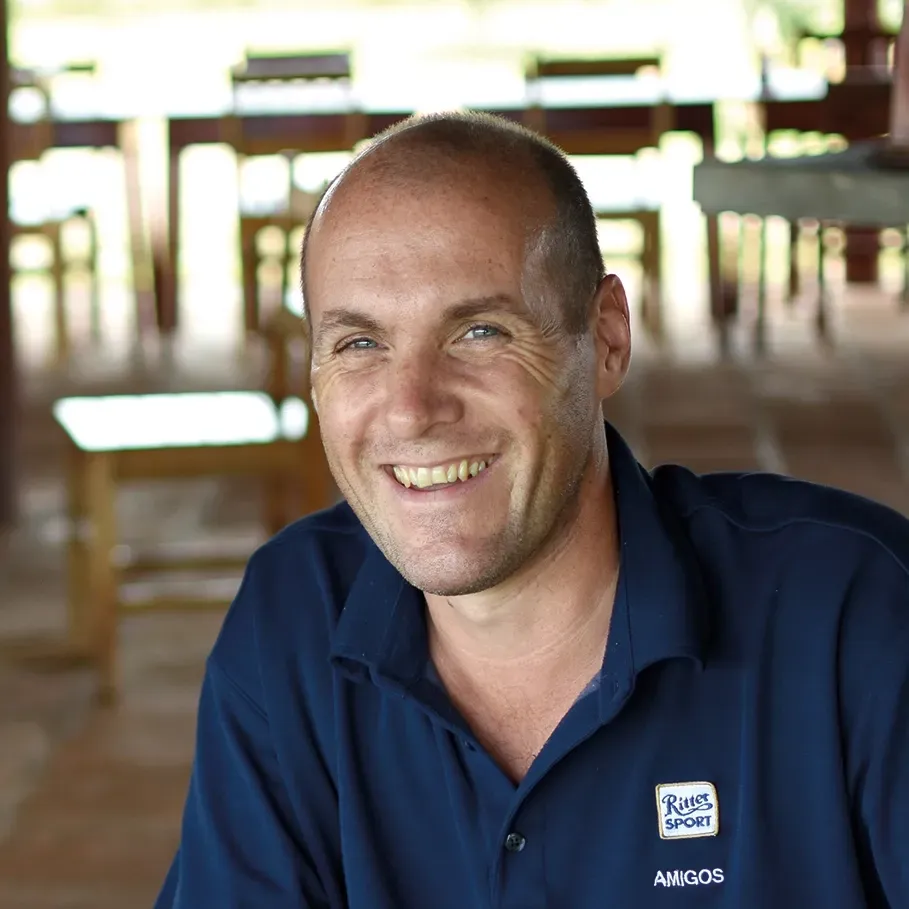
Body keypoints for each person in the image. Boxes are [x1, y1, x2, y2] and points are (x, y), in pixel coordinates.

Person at [155, 111, 909, 908]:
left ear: (607, 337)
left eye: (479, 331)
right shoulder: (294, 617)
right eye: (359, 344)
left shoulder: (852, 614)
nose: (411, 409)